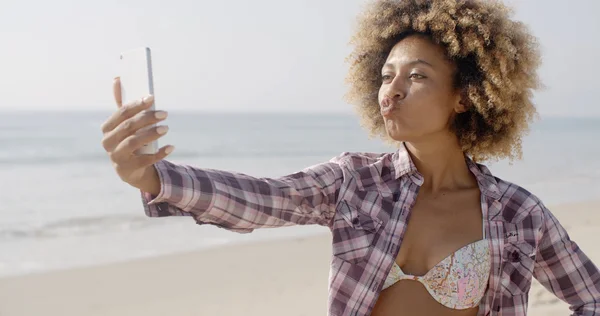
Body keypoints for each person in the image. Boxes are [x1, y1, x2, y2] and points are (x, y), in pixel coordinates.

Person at [100, 0, 600, 315]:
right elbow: (262, 199)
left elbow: (589, 296)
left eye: (417, 76)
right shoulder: (354, 182)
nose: (392, 91)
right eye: (385, 76)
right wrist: (153, 176)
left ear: (465, 95)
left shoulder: (517, 214)